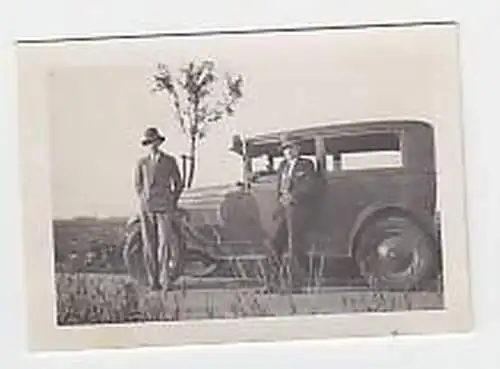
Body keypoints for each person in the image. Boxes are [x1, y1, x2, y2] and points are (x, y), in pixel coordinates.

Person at [266, 138, 319, 291]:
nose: (288, 151)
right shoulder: (282, 166)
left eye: (291, 148)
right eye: (285, 149)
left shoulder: (306, 164)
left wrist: (293, 196)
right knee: (275, 243)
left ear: (298, 149)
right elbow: (279, 187)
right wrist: (280, 203)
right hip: (283, 210)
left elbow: (310, 186)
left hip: (299, 209)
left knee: (294, 245)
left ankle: (298, 284)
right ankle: (271, 283)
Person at [134, 127, 183, 291]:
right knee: (149, 244)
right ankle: (152, 281)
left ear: (159, 142)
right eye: (148, 142)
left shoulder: (170, 161)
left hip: (164, 207)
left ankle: (165, 281)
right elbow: (138, 185)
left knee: (164, 245)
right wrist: (143, 198)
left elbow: (178, 182)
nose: (151, 145)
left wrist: (172, 200)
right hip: (147, 208)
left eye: (153, 141)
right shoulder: (142, 162)